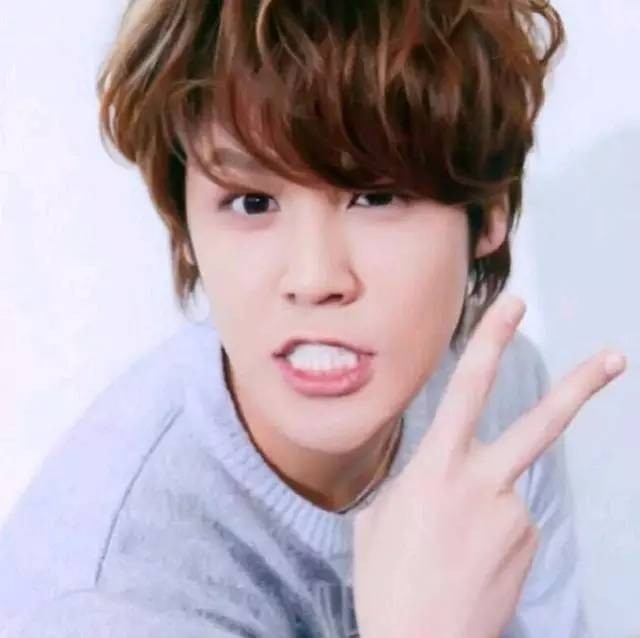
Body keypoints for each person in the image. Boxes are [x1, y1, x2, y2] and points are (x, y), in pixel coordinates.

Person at [0, 1, 627, 636]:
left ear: (487, 212)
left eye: (377, 196)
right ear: (185, 230)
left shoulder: (497, 396)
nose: (314, 277)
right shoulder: (109, 602)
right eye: (251, 202)